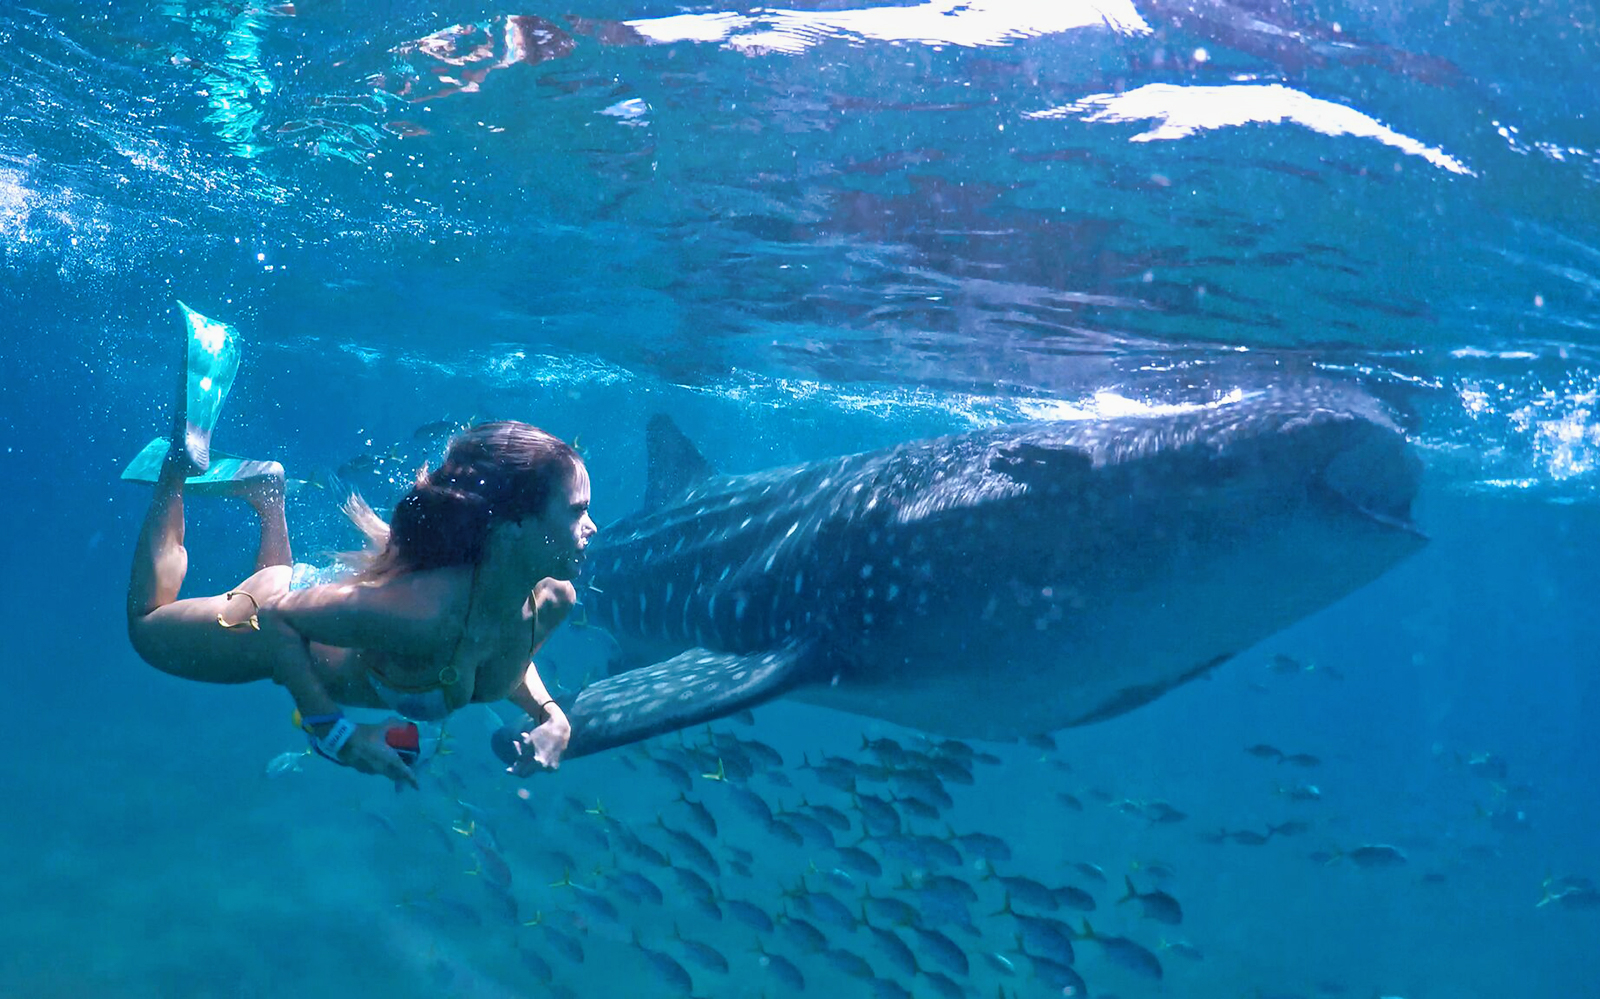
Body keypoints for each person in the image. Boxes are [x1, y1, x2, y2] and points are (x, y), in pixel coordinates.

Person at [124, 303, 597, 787]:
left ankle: (268, 495)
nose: (593, 527)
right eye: (578, 511)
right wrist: (335, 734)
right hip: (274, 614)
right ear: (514, 526)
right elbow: (281, 616)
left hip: (325, 611)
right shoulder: (424, 612)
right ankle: (178, 465)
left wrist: (550, 714)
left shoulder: (552, 601)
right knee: (146, 629)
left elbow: (505, 659)